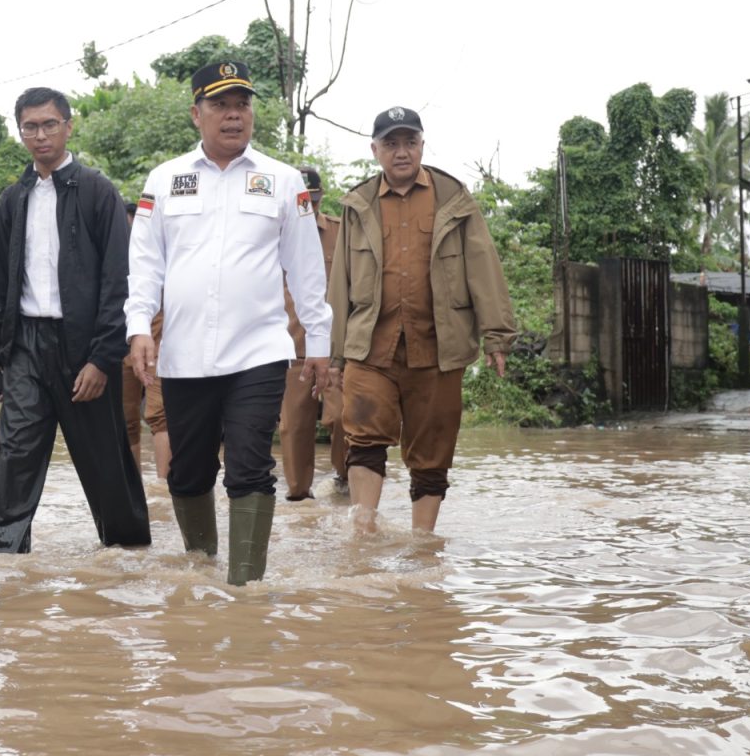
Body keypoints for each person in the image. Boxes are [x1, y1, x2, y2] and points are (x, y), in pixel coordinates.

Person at [125, 60, 329, 585]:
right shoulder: (166, 180)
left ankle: (245, 590)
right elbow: (145, 264)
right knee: (187, 471)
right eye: (220, 105)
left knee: (249, 466)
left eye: (242, 105)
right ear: (197, 114)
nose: (233, 115)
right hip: (184, 353)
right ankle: (201, 572)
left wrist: (320, 344)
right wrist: (138, 328)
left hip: (258, 351)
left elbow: (307, 271)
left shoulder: (282, 182)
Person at [0, 88, 151, 553]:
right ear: (20, 132)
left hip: (84, 345)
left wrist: (101, 357)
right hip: (25, 346)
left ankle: (128, 557)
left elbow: (120, 281)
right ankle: (5, 564)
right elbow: (3, 286)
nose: (40, 135)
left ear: (68, 127)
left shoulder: (97, 191)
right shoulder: (14, 200)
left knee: (104, 459)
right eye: (30, 127)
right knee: (15, 454)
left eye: (49, 124)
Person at [328, 106, 515, 535]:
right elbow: (341, 282)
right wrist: (333, 356)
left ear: (422, 145)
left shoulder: (454, 199)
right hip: (370, 345)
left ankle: (423, 545)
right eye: (391, 143)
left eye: (409, 142)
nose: (401, 152)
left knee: (433, 449)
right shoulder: (359, 205)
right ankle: (364, 532)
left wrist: (497, 337)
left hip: (436, 347)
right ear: (375, 150)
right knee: (364, 435)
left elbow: (483, 268)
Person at [279, 164, 347, 501]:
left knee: (343, 419)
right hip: (291, 345)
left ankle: (345, 479)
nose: (311, 205)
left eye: (314, 198)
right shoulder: (275, 231)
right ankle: (298, 497)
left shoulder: (341, 231)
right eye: (304, 199)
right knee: (294, 428)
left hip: (335, 348)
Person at [121, 308, 170, 479]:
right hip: (119, 320)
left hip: (159, 317)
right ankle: (133, 493)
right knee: (125, 420)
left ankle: (165, 491)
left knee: (160, 414)